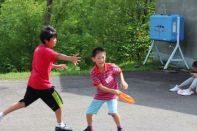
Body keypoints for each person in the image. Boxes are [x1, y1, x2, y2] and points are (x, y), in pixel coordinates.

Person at [0, 25, 80, 131]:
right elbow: (59, 56)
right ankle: (60, 126)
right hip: (43, 86)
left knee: (23, 102)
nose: (56, 40)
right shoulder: (48, 51)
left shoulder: (39, 49)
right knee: (59, 103)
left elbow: (43, 64)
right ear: (46, 40)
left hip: (33, 83)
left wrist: (57, 66)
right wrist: (71, 58)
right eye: (54, 38)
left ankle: (1, 114)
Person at [83, 47, 128, 131]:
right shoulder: (93, 72)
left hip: (112, 96)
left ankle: (120, 127)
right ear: (93, 59)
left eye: (103, 57)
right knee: (88, 113)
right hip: (100, 95)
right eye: (98, 58)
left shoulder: (111, 66)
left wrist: (123, 81)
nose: (101, 60)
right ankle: (90, 127)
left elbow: (119, 71)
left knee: (113, 113)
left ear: (105, 57)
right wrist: (114, 91)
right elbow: (100, 87)